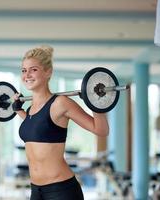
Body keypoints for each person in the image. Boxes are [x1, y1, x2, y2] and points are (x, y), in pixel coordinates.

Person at [12, 45, 109, 200]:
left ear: (48, 72)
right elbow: (40, 129)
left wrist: (96, 104)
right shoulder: (30, 110)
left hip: (61, 191)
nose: (27, 75)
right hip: (36, 190)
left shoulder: (60, 103)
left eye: (33, 69)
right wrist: (19, 111)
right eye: (24, 70)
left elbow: (101, 130)